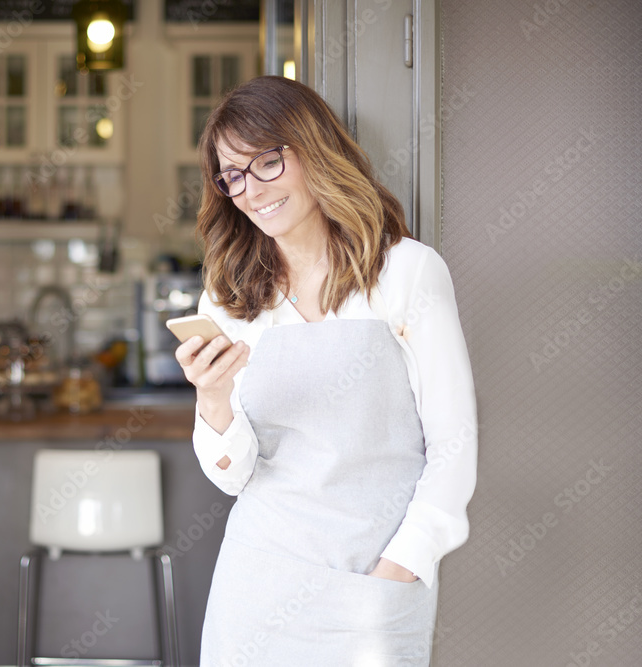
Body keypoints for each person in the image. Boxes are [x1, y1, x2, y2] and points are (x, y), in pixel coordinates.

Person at [174, 76, 478, 665]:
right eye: (232, 175)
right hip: (257, 581)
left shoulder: (405, 273)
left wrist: (404, 566)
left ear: (312, 147)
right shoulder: (230, 295)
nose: (251, 190)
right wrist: (213, 401)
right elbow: (231, 479)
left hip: (374, 580)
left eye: (266, 162)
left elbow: (453, 443)